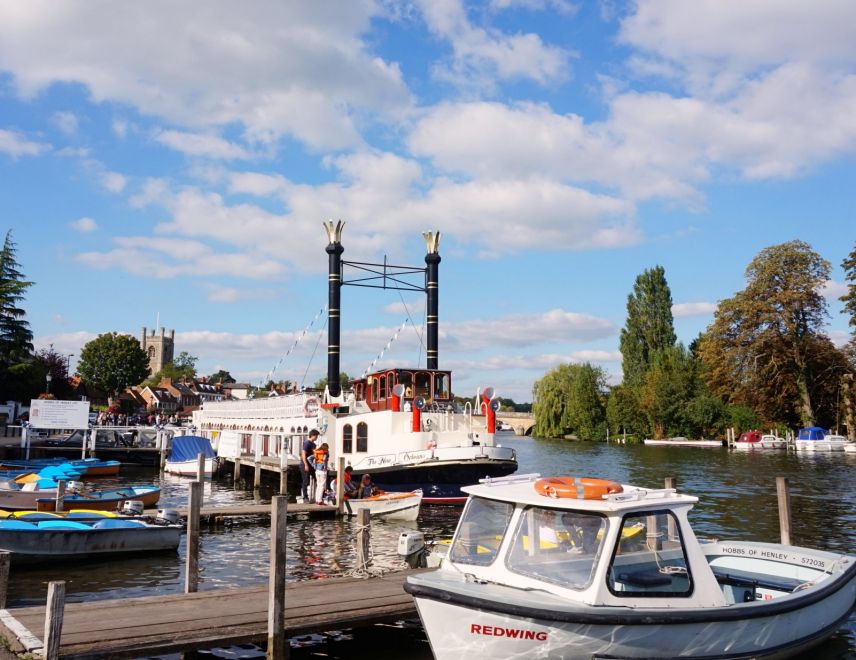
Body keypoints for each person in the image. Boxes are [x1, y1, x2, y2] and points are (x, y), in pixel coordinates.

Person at [300, 429, 319, 502]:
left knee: (317, 477)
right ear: (312, 435)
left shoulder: (314, 444)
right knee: (306, 481)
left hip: (311, 465)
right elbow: (303, 454)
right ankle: (305, 497)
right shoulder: (307, 443)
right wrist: (306, 465)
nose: (317, 437)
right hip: (305, 464)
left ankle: (318, 496)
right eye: (316, 436)